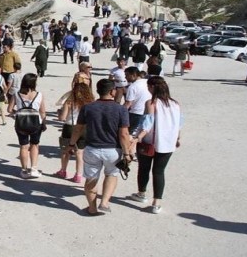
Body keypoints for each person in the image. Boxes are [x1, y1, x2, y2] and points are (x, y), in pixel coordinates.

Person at [69, 79, 132, 216]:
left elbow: (78, 129)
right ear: (112, 92)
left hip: (92, 149)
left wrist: (71, 144)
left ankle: (92, 208)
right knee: (111, 174)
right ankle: (104, 202)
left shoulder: (88, 107)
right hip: (113, 150)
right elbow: (124, 134)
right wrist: (127, 153)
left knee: (91, 179)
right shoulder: (121, 109)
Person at [129, 76, 183, 214]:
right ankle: (156, 202)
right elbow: (179, 124)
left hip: (150, 142)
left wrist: (137, 138)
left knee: (144, 168)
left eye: (148, 86)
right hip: (168, 143)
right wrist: (178, 138)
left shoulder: (151, 103)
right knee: (159, 172)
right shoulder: (175, 104)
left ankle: (141, 193)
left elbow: (147, 123)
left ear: (152, 87)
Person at [8, 73, 46, 179]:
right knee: (34, 145)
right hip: (36, 123)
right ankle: (33, 168)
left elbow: (9, 110)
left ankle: (24, 170)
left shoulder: (17, 94)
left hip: (21, 123)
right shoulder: (39, 95)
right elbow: (42, 112)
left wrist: (17, 114)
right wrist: (44, 122)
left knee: (23, 146)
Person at [55, 83, 94, 183]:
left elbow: (62, 117)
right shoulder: (90, 103)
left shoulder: (69, 102)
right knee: (79, 153)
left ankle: (63, 170)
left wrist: (59, 113)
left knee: (65, 150)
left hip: (70, 127)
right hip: (84, 128)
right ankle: (78, 175)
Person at [124, 67, 152, 138]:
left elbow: (128, 103)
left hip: (135, 113)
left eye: (127, 75)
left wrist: (120, 112)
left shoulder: (132, 87)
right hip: (148, 111)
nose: (125, 77)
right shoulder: (147, 82)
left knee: (130, 134)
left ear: (133, 75)